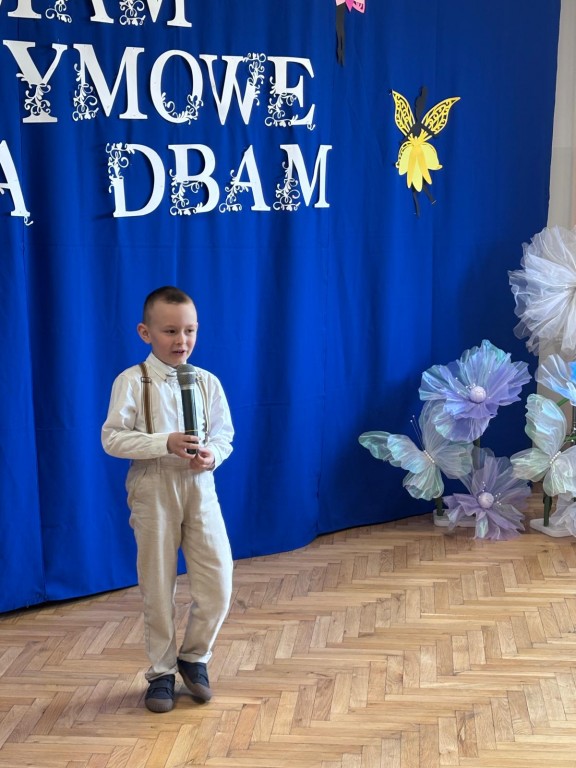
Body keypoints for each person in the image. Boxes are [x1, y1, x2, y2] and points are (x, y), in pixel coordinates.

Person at [101, 286, 234, 713]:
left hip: (200, 487)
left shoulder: (207, 382)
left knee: (218, 581)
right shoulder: (131, 381)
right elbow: (112, 438)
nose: (182, 340)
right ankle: (160, 671)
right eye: (170, 331)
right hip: (153, 486)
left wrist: (213, 455)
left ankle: (194, 657)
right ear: (146, 332)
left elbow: (224, 434)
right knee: (157, 585)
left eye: (189, 330)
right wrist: (164, 442)